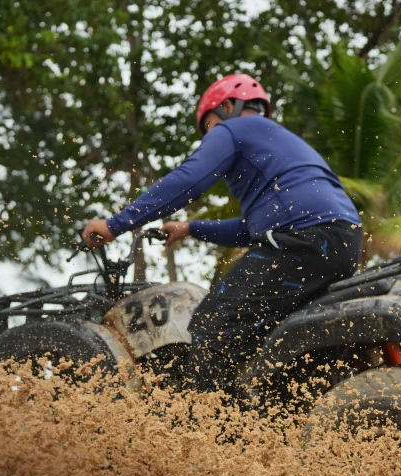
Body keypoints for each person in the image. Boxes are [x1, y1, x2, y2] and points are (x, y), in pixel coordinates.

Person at [82, 74, 363, 393]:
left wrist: (115, 224)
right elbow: (251, 228)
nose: (211, 137)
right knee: (262, 334)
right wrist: (191, 228)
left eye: (210, 126)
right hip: (339, 241)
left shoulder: (233, 129)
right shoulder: (280, 147)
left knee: (212, 320)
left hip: (304, 240)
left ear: (230, 106)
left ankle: (211, 427)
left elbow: (188, 179)